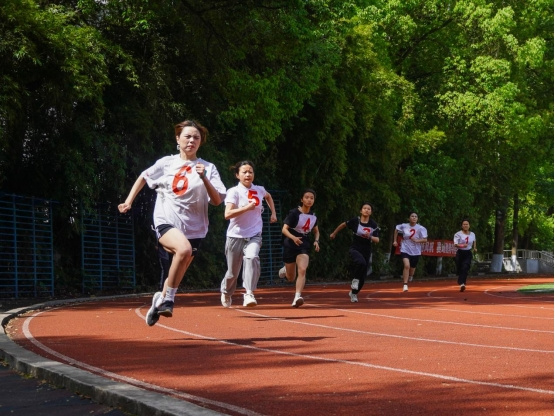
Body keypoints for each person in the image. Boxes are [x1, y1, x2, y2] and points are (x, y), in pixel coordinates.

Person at [118, 119, 226, 326]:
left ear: (201, 142)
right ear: (178, 139)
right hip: (166, 221)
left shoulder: (208, 168)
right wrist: (128, 201)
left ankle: (159, 300)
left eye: (196, 137)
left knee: (176, 272)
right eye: (187, 136)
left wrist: (204, 178)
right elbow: (143, 176)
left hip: (195, 228)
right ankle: (168, 300)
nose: (192, 140)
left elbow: (217, 200)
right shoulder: (167, 163)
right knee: (183, 250)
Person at [220, 161, 277, 308]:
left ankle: (249, 293)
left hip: (254, 234)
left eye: (250, 171)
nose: (248, 174)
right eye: (244, 172)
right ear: (237, 175)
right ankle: (226, 292)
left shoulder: (259, 189)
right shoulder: (233, 192)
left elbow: (268, 196)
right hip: (235, 236)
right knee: (233, 272)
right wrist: (246, 208)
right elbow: (227, 214)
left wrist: (273, 213)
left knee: (252, 257)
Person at [329, 202, 380, 303]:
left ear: (371, 212)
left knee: (363, 276)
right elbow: (343, 224)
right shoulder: (355, 221)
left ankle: (354, 293)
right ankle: (355, 280)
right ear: (361, 210)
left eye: (369, 209)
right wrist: (334, 233)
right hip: (355, 248)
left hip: (366, 249)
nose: (366, 210)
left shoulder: (373, 224)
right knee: (361, 262)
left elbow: (377, 240)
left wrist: (369, 236)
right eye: (364, 208)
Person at [278, 189, 320, 307]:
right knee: (291, 278)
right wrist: (293, 238)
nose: (309, 200)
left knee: (302, 269)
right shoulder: (294, 213)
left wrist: (316, 241)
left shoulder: (313, 216)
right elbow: (284, 229)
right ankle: (286, 270)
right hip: (290, 243)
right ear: (302, 199)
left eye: (311, 198)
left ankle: (297, 296)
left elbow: (316, 231)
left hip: (304, 244)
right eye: (306, 197)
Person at [393, 212, 428, 292]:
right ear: (409, 218)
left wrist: (417, 240)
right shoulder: (404, 225)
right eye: (412, 216)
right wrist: (395, 240)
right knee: (406, 265)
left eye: (416, 216)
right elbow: (396, 229)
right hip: (405, 249)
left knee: (412, 269)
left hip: (416, 251)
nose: (414, 218)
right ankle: (405, 284)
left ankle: (411, 276)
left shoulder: (421, 228)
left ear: (417, 219)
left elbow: (425, 240)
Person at [453, 219, 477, 292]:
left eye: (467, 224)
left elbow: (474, 241)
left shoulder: (472, 234)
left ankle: (462, 283)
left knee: (465, 267)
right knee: (460, 268)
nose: (465, 225)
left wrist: (475, 248)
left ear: (469, 226)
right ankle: (461, 280)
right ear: (462, 226)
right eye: (464, 224)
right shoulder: (458, 234)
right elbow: (455, 244)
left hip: (468, 253)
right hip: (460, 253)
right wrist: (462, 245)